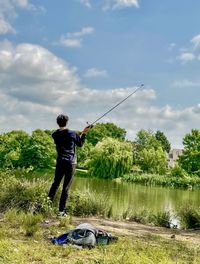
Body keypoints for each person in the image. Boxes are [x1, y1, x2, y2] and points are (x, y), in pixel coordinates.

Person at [48, 114, 89, 217]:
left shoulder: (54, 135)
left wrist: (78, 133)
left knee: (55, 184)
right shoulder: (73, 133)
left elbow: (65, 135)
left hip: (60, 162)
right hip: (71, 163)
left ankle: (46, 206)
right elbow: (80, 144)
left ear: (57, 123)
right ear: (67, 122)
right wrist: (83, 134)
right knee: (65, 188)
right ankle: (61, 212)